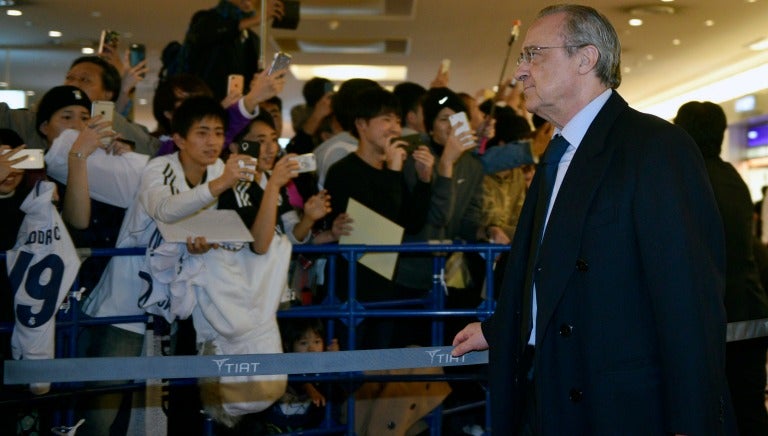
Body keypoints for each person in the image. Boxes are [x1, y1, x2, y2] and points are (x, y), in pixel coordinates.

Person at [452, 5, 735, 435]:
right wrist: (501, 327)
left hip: (620, 407)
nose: (520, 73)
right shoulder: (558, 152)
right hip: (552, 393)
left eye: (533, 55)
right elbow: (549, 263)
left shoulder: (655, 147)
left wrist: (691, 420)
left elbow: (689, 298)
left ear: (586, 59)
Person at [79, 96, 249, 435]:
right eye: (202, 132)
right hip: (123, 308)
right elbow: (166, 210)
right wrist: (219, 185)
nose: (212, 141)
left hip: (171, 309)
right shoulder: (158, 167)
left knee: (153, 412)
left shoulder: (219, 171)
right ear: (180, 139)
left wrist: (206, 244)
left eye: (218, 132)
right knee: (102, 412)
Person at [674, 100, 768, 436]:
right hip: (750, 314)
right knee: (750, 411)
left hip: (712, 320)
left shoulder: (685, 179)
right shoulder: (732, 179)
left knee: (710, 416)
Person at [322, 86, 433, 349]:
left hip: (385, 287)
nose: (394, 127)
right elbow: (376, 225)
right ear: (361, 124)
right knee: (345, 372)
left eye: (396, 119)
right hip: (350, 288)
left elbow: (411, 223)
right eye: (386, 119)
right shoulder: (343, 171)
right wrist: (394, 171)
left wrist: (424, 180)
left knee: (376, 368)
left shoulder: (393, 168)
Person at [0, 56, 161, 155]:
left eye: (85, 80)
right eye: (70, 78)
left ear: (108, 93)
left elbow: (155, 153)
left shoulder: (125, 131)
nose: (73, 84)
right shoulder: (31, 119)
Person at [180, 0, 285, 101]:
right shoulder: (205, 19)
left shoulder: (253, 40)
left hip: (235, 109)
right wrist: (257, 19)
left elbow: (249, 82)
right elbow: (207, 35)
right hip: (204, 104)